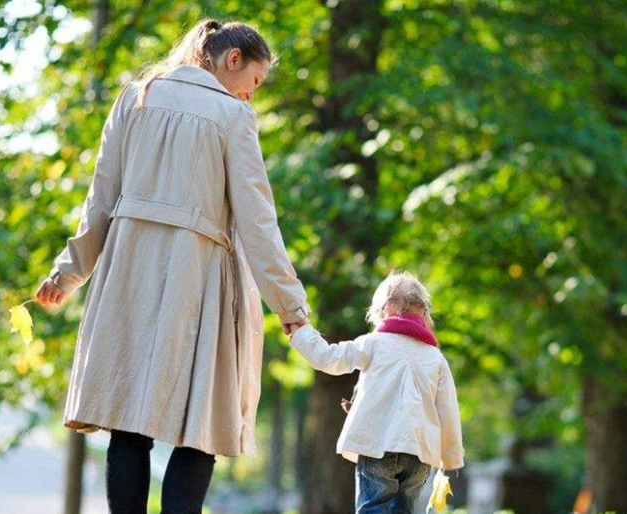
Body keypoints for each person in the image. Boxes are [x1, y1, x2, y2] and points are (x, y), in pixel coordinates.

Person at [35, 19, 309, 514]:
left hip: (128, 272)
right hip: (196, 278)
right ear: (232, 60)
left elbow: (101, 196)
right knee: (200, 424)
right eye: (256, 81)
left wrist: (67, 273)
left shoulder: (134, 98)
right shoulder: (232, 117)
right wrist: (289, 304)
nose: (252, 94)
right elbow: (257, 221)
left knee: (127, 421)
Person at [289, 270, 464, 514]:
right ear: (423, 313)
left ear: (385, 309)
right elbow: (447, 409)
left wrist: (301, 333)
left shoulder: (373, 343)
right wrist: (452, 456)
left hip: (379, 445)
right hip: (419, 454)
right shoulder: (435, 358)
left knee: (374, 509)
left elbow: (329, 358)